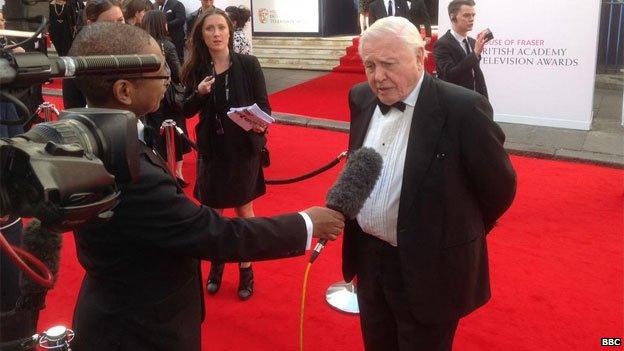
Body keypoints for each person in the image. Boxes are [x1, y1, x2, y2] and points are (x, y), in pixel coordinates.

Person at [66, 22, 344, 350]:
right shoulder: (129, 172)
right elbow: (216, 234)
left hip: (120, 309)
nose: (168, 80)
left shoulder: (85, 135)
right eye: (160, 73)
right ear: (125, 91)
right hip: (141, 330)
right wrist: (308, 223)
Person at [344, 16, 516, 351]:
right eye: (369, 65)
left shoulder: (463, 108)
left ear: (421, 57)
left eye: (389, 64)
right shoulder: (361, 97)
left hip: (430, 270)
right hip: (369, 260)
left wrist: (454, 231)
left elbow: (500, 188)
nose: (378, 77)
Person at [181, 8, 271, 301]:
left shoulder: (248, 64)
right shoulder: (196, 69)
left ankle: (246, 269)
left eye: (221, 27)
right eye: (210, 29)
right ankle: (217, 264)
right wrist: (199, 93)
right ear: (201, 35)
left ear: (230, 32)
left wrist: (257, 126)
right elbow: (186, 109)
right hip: (212, 152)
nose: (217, 33)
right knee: (214, 213)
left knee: (244, 210)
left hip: (243, 151)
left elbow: (264, 108)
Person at [141, 9, 190, 185]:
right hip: (170, 97)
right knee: (175, 131)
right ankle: (177, 171)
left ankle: (161, 168)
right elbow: (178, 73)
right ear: (163, 24)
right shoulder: (167, 46)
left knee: (156, 131)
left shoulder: (142, 46)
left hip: (150, 95)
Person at [63, 0, 125, 110]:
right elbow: (72, 107)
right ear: (91, 24)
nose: (117, 28)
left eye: (120, 20)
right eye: (108, 23)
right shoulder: (78, 57)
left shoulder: (133, 47)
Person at [434, 0, 489, 98]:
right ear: (452, 17)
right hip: (456, 102)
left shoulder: (472, 42)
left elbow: (475, 73)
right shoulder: (442, 44)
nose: (471, 19)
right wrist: (475, 53)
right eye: (466, 15)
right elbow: (450, 75)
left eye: (473, 15)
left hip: (478, 99)